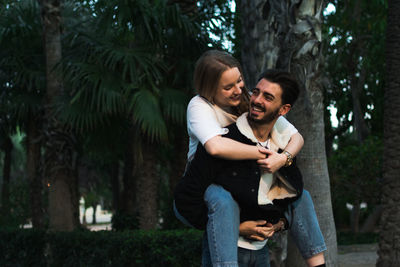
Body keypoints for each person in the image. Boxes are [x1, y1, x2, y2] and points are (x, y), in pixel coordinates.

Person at [174, 50, 326, 267]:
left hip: (243, 180)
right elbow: (215, 147)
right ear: (209, 89)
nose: (238, 90)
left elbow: (296, 137)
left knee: (301, 196)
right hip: (207, 182)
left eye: (240, 81)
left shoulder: (251, 103)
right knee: (223, 201)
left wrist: (282, 159)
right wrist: (262, 153)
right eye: (228, 87)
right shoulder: (200, 106)